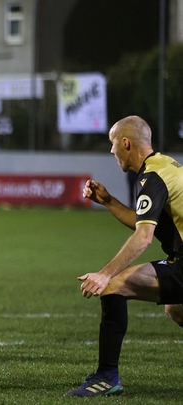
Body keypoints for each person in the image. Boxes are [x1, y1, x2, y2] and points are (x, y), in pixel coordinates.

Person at [65, 115, 183, 397]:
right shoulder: (163, 166)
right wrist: (108, 201)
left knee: (115, 285)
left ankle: (106, 377)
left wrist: (104, 274)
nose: (111, 150)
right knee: (176, 308)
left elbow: (143, 237)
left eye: (113, 143)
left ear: (126, 143)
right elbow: (142, 222)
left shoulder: (153, 177)